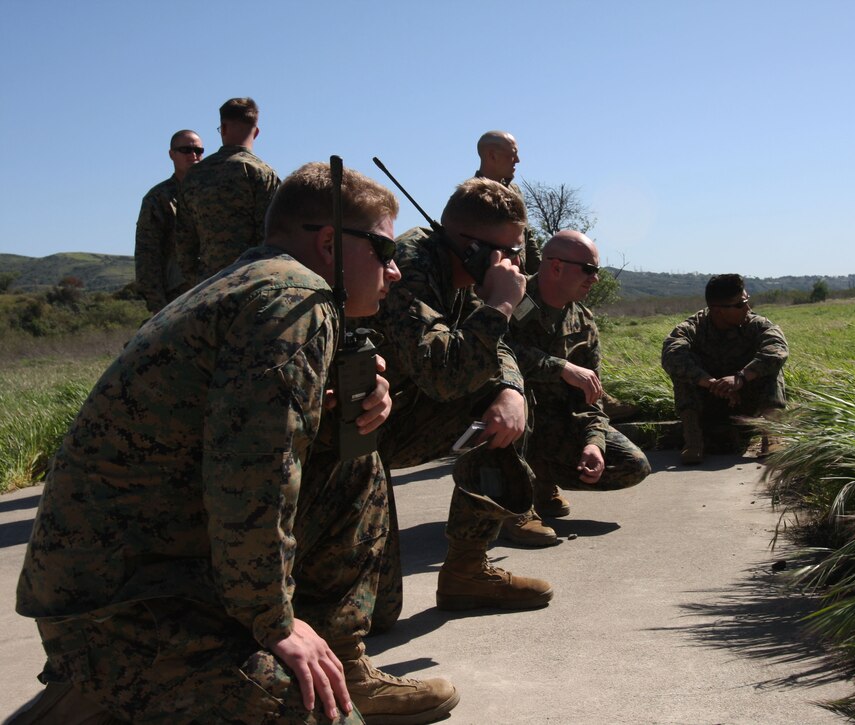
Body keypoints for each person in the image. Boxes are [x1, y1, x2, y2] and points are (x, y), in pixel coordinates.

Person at [11, 162, 459, 724]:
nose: (394, 271)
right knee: (316, 713)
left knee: (353, 448)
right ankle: (93, 696)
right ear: (329, 242)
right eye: (384, 251)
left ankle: (341, 661)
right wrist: (275, 623)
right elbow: (252, 474)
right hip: (123, 606)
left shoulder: (260, 283)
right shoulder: (292, 302)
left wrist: (351, 408)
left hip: (163, 567)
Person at [366, 177, 553, 618]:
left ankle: (468, 571)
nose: (515, 264)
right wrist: (502, 307)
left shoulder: (467, 272)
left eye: (519, 253)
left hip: (397, 412)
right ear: (469, 245)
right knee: (376, 615)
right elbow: (443, 377)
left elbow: (491, 349)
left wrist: (509, 388)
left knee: (505, 400)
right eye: (507, 253)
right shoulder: (409, 269)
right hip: (353, 430)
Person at [503, 230, 650, 543]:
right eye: (589, 270)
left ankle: (540, 481)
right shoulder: (509, 294)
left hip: (554, 424)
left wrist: (593, 443)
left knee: (633, 465)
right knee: (514, 397)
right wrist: (561, 367)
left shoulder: (583, 320)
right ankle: (514, 505)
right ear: (556, 267)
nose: (595, 279)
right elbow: (489, 350)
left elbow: (590, 398)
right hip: (507, 417)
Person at [660, 274, 789, 464]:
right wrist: (712, 383)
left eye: (746, 301)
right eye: (740, 304)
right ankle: (694, 440)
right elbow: (671, 355)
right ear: (717, 310)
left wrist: (740, 378)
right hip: (708, 403)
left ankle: (772, 436)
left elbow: (777, 348)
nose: (748, 308)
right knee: (683, 368)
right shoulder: (692, 328)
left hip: (746, 401)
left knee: (771, 366)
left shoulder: (756, 325)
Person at [175, 97, 280, 288]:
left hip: (207, 284)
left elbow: (184, 239)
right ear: (256, 132)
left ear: (223, 128)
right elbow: (270, 235)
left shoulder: (194, 175)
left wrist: (196, 280)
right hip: (250, 282)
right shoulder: (262, 173)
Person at [133, 129, 203, 312]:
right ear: (172, 154)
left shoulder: (212, 193)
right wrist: (158, 305)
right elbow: (147, 255)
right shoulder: (158, 198)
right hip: (177, 298)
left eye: (199, 151)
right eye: (186, 150)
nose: (193, 155)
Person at [474, 130, 542, 273]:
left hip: (521, 281)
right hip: (490, 284)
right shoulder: (470, 196)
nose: (517, 160)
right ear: (492, 155)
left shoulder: (514, 191)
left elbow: (527, 237)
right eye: (512, 153)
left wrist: (540, 276)